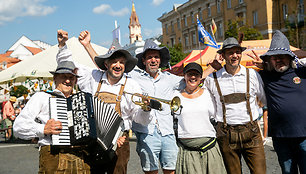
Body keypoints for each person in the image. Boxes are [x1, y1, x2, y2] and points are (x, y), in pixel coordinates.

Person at [77, 31, 216, 174]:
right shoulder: (132, 76)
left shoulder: (170, 78)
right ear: (144, 61)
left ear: (160, 60)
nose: (153, 60)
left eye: (156, 57)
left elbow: (193, 79)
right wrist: (87, 46)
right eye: (149, 57)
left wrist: (214, 66)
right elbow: (109, 64)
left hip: (167, 132)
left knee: (171, 171)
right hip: (146, 133)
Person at [56, 29, 152, 174]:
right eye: (114, 62)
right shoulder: (93, 76)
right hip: (93, 140)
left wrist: (146, 109)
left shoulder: (132, 85)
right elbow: (67, 65)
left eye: (121, 62)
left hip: (120, 141)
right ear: (106, 64)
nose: (118, 65)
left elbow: (140, 119)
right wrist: (63, 44)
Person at [13, 60, 94, 173]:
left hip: (81, 159)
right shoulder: (41, 97)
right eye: (63, 76)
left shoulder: (83, 101)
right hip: (54, 156)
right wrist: (43, 129)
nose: (67, 80)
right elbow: (18, 127)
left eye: (71, 78)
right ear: (55, 78)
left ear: (75, 81)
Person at [205, 37, 266, 174]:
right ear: (223, 56)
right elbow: (193, 84)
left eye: (237, 52)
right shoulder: (212, 79)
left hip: (252, 131)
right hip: (226, 134)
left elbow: (264, 99)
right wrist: (209, 69)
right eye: (230, 53)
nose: (235, 56)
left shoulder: (252, 74)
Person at [247, 30, 306, 174]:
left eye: (283, 56)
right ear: (270, 60)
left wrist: (292, 55)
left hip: (304, 136)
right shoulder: (264, 76)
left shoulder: (303, 73)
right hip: (281, 138)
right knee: (287, 172)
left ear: (290, 57)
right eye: (275, 57)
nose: (279, 60)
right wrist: (265, 65)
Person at [174, 62, 226, 174]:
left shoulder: (209, 94)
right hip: (187, 151)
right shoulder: (176, 97)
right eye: (190, 74)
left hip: (210, 149)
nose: (193, 77)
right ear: (185, 76)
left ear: (200, 77)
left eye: (196, 74)